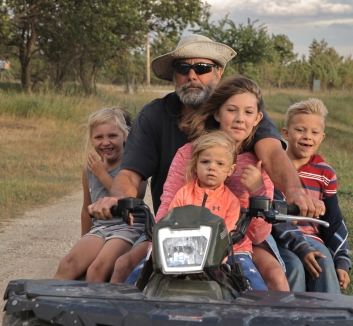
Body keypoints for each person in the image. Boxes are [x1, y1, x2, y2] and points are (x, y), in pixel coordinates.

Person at [92, 34, 324, 286]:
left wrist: (294, 192)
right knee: (126, 264)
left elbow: (272, 153)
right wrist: (117, 199)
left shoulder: (245, 112)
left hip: (239, 234)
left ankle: (274, 325)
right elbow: (131, 175)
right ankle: (121, 321)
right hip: (175, 228)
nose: (192, 75)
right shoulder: (166, 129)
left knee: (279, 274)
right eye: (183, 67)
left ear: (218, 72)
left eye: (202, 68)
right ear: (173, 74)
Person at [124, 76, 288, 290]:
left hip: (233, 246)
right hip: (180, 243)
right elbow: (168, 208)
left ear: (257, 118)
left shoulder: (256, 164)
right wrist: (159, 245)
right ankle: (118, 316)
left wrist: (258, 191)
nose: (240, 119)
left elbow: (257, 234)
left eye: (248, 112)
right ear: (217, 113)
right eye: (231, 110)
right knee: (137, 278)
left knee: (259, 287)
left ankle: (270, 323)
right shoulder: (189, 154)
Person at [53, 108, 146, 281]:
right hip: (100, 228)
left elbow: (133, 199)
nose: (106, 143)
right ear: (92, 139)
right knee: (68, 264)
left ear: (125, 136)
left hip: (129, 227)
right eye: (99, 137)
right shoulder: (88, 170)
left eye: (112, 136)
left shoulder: (134, 166)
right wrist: (85, 241)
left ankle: (93, 308)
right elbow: (86, 210)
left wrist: (103, 175)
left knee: (97, 269)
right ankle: (50, 306)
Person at [274, 98, 351, 292]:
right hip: (279, 237)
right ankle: (288, 317)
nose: (307, 136)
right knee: (294, 267)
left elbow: (333, 220)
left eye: (314, 132)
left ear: (322, 137)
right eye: (300, 130)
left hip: (312, 238)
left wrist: (341, 261)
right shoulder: (273, 168)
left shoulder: (325, 174)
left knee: (323, 264)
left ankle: (329, 317)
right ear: (285, 133)